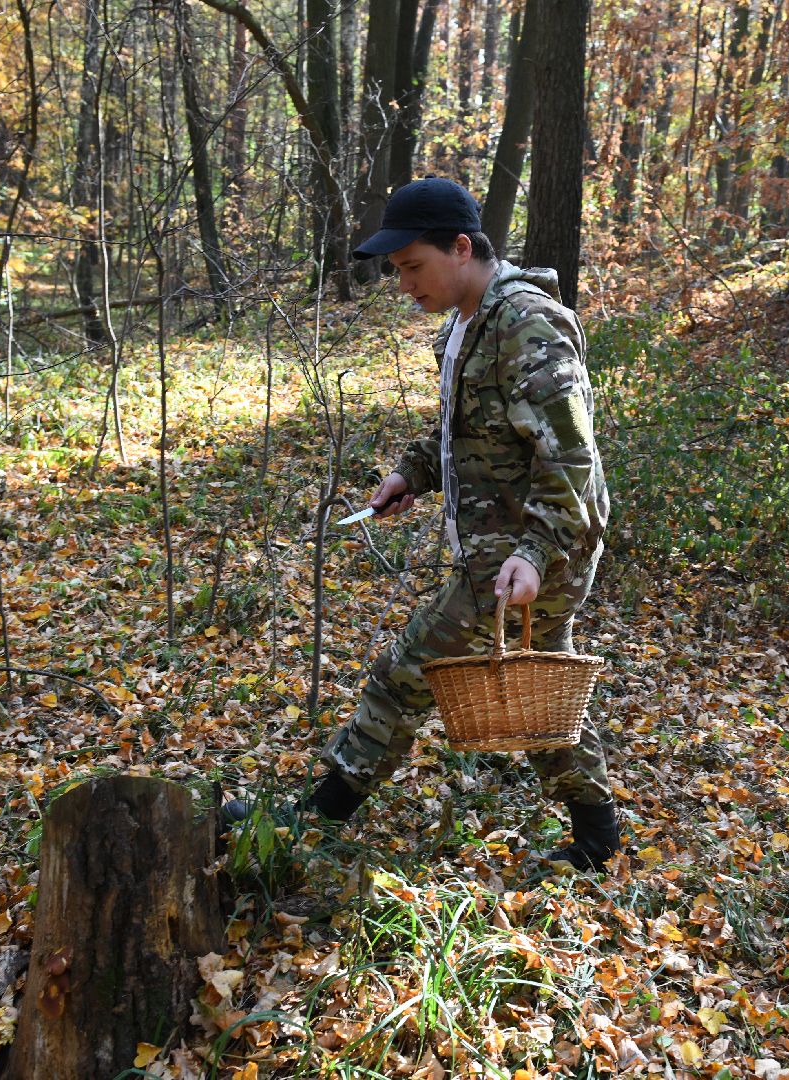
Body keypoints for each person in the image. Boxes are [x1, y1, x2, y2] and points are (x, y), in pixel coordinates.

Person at [235, 178, 621, 871]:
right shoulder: (467, 324)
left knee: (404, 676)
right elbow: (468, 427)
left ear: (462, 247)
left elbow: (572, 457)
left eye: (413, 265)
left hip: (529, 553)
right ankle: (598, 840)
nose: (405, 284)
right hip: (509, 553)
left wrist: (535, 553)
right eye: (397, 270)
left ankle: (312, 822)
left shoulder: (526, 323)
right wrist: (412, 472)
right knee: (540, 694)